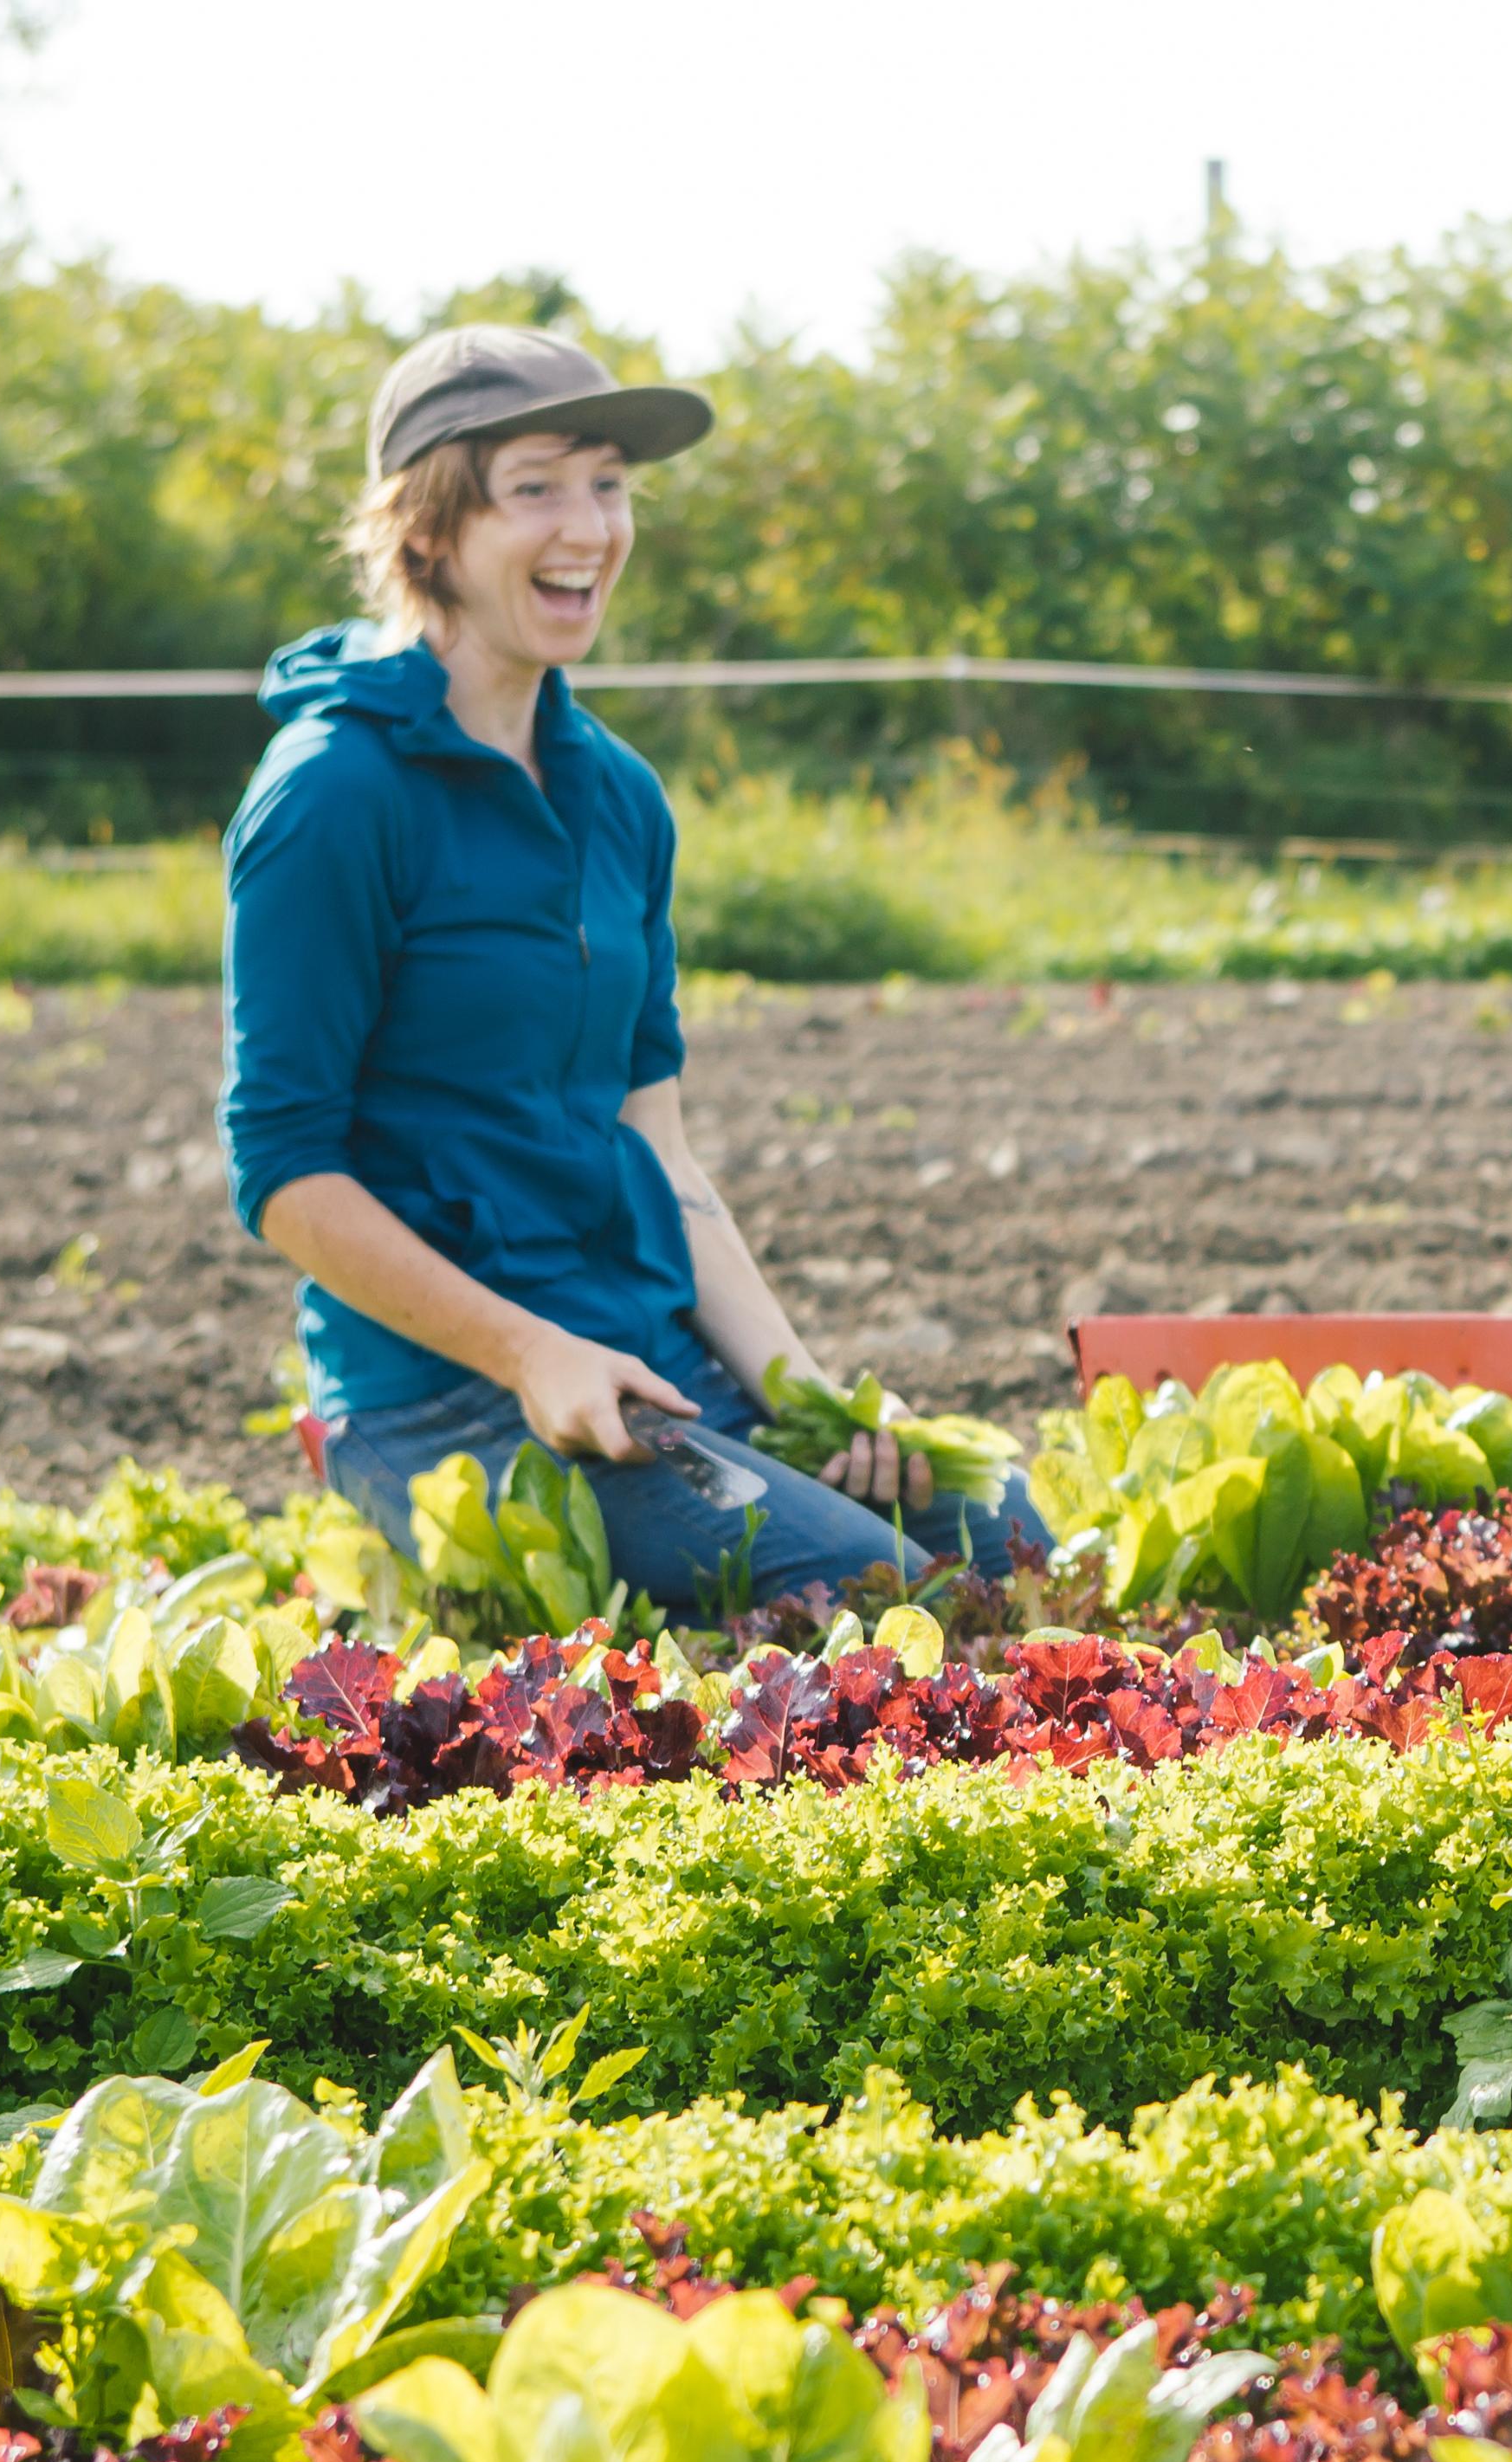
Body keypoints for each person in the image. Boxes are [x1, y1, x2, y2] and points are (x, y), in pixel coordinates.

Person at [221, 324, 1041, 1612]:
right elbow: (285, 1176)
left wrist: (802, 1393)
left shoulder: (617, 794)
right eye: (536, 487)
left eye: (608, 485)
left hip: (651, 1356)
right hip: (451, 1396)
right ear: (428, 531)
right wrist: (527, 1350)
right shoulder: (333, 795)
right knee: (875, 1599)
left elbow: (651, 1136)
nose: (590, 527)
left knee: (1001, 1531)